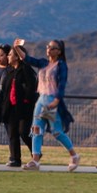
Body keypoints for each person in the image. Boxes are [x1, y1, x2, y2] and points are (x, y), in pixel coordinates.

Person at [13, 39, 80, 172]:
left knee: (56, 132)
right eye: (48, 46)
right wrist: (17, 48)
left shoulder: (61, 65)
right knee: (36, 130)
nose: (48, 49)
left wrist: (57, 99)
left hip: (51, 99)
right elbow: (28, 59)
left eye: (52, 47)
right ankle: (35, 160)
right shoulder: (44, 63)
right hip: (41, 99)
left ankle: (74, 155)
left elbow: (62, 84)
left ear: (59, 51)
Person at [0, 44, 37, 167]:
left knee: (23, 131)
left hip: (23, 107)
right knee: (12, 133)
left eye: (10, 54)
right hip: (10, 106)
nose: (8, 57)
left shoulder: (25, 69)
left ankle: (36, 153)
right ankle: (15, 159)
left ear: (17, 57)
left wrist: (26, 99)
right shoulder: (9, 71)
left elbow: (32, 86)